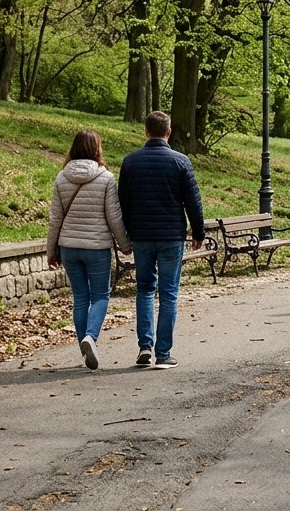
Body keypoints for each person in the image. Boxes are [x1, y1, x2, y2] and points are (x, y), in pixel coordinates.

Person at [118, 110, 206, 370]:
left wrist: (125, 234)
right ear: (168, 132)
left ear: (146, 131)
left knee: (144, 289)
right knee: (169, 293)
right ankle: (163, 353)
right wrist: (198, 232)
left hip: (142, 236)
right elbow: (193, 201)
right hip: (170, 236)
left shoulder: (130, 162)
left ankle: (145, 345)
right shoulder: (181, 161)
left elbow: (123, 202)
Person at [47, 130, 131, 371]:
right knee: (101, 296)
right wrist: (125, 245)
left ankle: (85, 349)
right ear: (97, 149)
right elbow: (114, 218)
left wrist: (51, 251)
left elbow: (55, 219)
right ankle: (91, 338)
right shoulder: (105, 178)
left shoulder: (62, 177)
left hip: (69, 248)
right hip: (96, 248)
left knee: (80, 298)